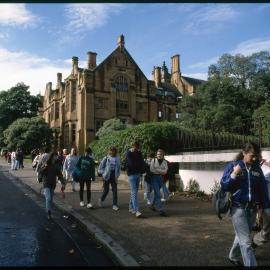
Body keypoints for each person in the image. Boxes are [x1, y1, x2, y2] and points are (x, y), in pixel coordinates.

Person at [220, 142, 270, 267]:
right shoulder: (232, 166)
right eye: (252, 156)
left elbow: (262, 189)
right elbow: (225, 186)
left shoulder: (257, 168)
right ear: (244, 153)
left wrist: (266, 208)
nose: (254, 159)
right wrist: (234, 174)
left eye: (256, 156)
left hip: (252, 210)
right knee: (246, 243)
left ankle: (232, 256)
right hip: (238, 209)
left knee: (241, 236)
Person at [39, 151, 66, 220]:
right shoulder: (46, 164)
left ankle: (49, 209)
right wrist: (44, 167)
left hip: (53, 184)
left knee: (50, 199)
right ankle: (48, 212)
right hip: (46, 183)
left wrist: (63, 182)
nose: (56, 157)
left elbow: (59, 175)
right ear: (51, 157)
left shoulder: (56, 166)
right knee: (48, 198)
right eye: (55, 156)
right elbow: (40, 172)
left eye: (56, 156)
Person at [252, 157, 270, 247]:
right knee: (266, 233)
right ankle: (253, 244)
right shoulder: (264, 172)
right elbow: (257, 185)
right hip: (267, 206)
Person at [125, 141, 145, 218]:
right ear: (132, 146)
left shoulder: (139, 153)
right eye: (134, 146)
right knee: (134, 192)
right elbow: (131, 163)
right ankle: (137, 210)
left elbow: (142, 162)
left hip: (138, 174)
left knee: (135, 192)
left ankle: (131, 207)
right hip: (132, 175)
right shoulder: (129, 153)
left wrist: (139, 163)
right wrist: (139, 163)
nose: (136, 148)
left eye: (137, 146)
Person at [98, 146, 121, 211]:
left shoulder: (117, 158)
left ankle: (114, 205)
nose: (112, 151)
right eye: (111, 150)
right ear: (109, 151)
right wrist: (104, 173)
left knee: (115, 190)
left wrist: (118, 174)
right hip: (107, 175)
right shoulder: (106, 158)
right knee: (106, 190)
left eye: (113, 150)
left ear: (115, 151)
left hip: (114, 175)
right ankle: (101, 199)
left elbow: (119, 167)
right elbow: (100, 167)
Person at [149, 149, 168, 217]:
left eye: (160, 154)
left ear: (163, 155)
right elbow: (151, 170)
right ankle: (161, 210)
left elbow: (165, 171)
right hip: (153, 178)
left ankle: (152, 205)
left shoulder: (165, 162)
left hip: (160, 178)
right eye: (157, 154)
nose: (159, 155)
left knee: (158, 193)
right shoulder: (153, 160)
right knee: (158, 194)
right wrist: (161, 171)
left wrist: (157, 170)